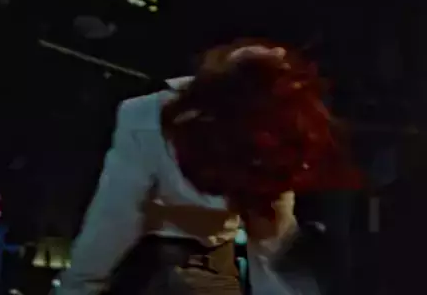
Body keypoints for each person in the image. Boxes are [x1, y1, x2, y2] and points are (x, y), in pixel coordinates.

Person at [54, 39, 360, 295]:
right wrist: (77, 288)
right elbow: (115, 218)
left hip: (207, 263)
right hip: (147, 261)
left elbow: (273, 244)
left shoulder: (273, 136)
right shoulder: (146, 117)